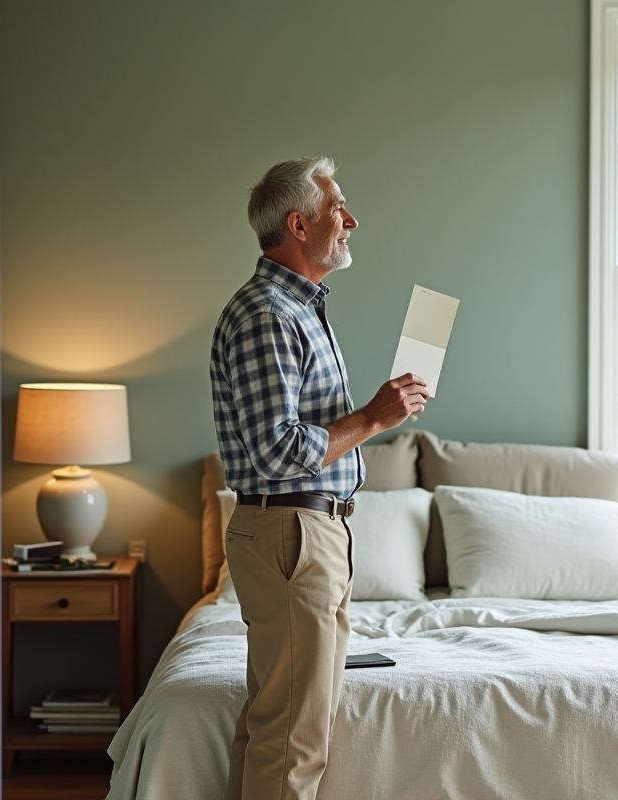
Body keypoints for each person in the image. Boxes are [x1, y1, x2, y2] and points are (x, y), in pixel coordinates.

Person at [210, 156, 429, 800]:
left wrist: (375, 416)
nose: (352, 220)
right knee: (293, 740)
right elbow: (278, 450)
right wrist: (373, 418)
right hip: (292, 532)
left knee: (278, 726)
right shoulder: (268, 314)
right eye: (339, 209)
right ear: (299, 224)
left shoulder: (298, 309)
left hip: (309, 531)